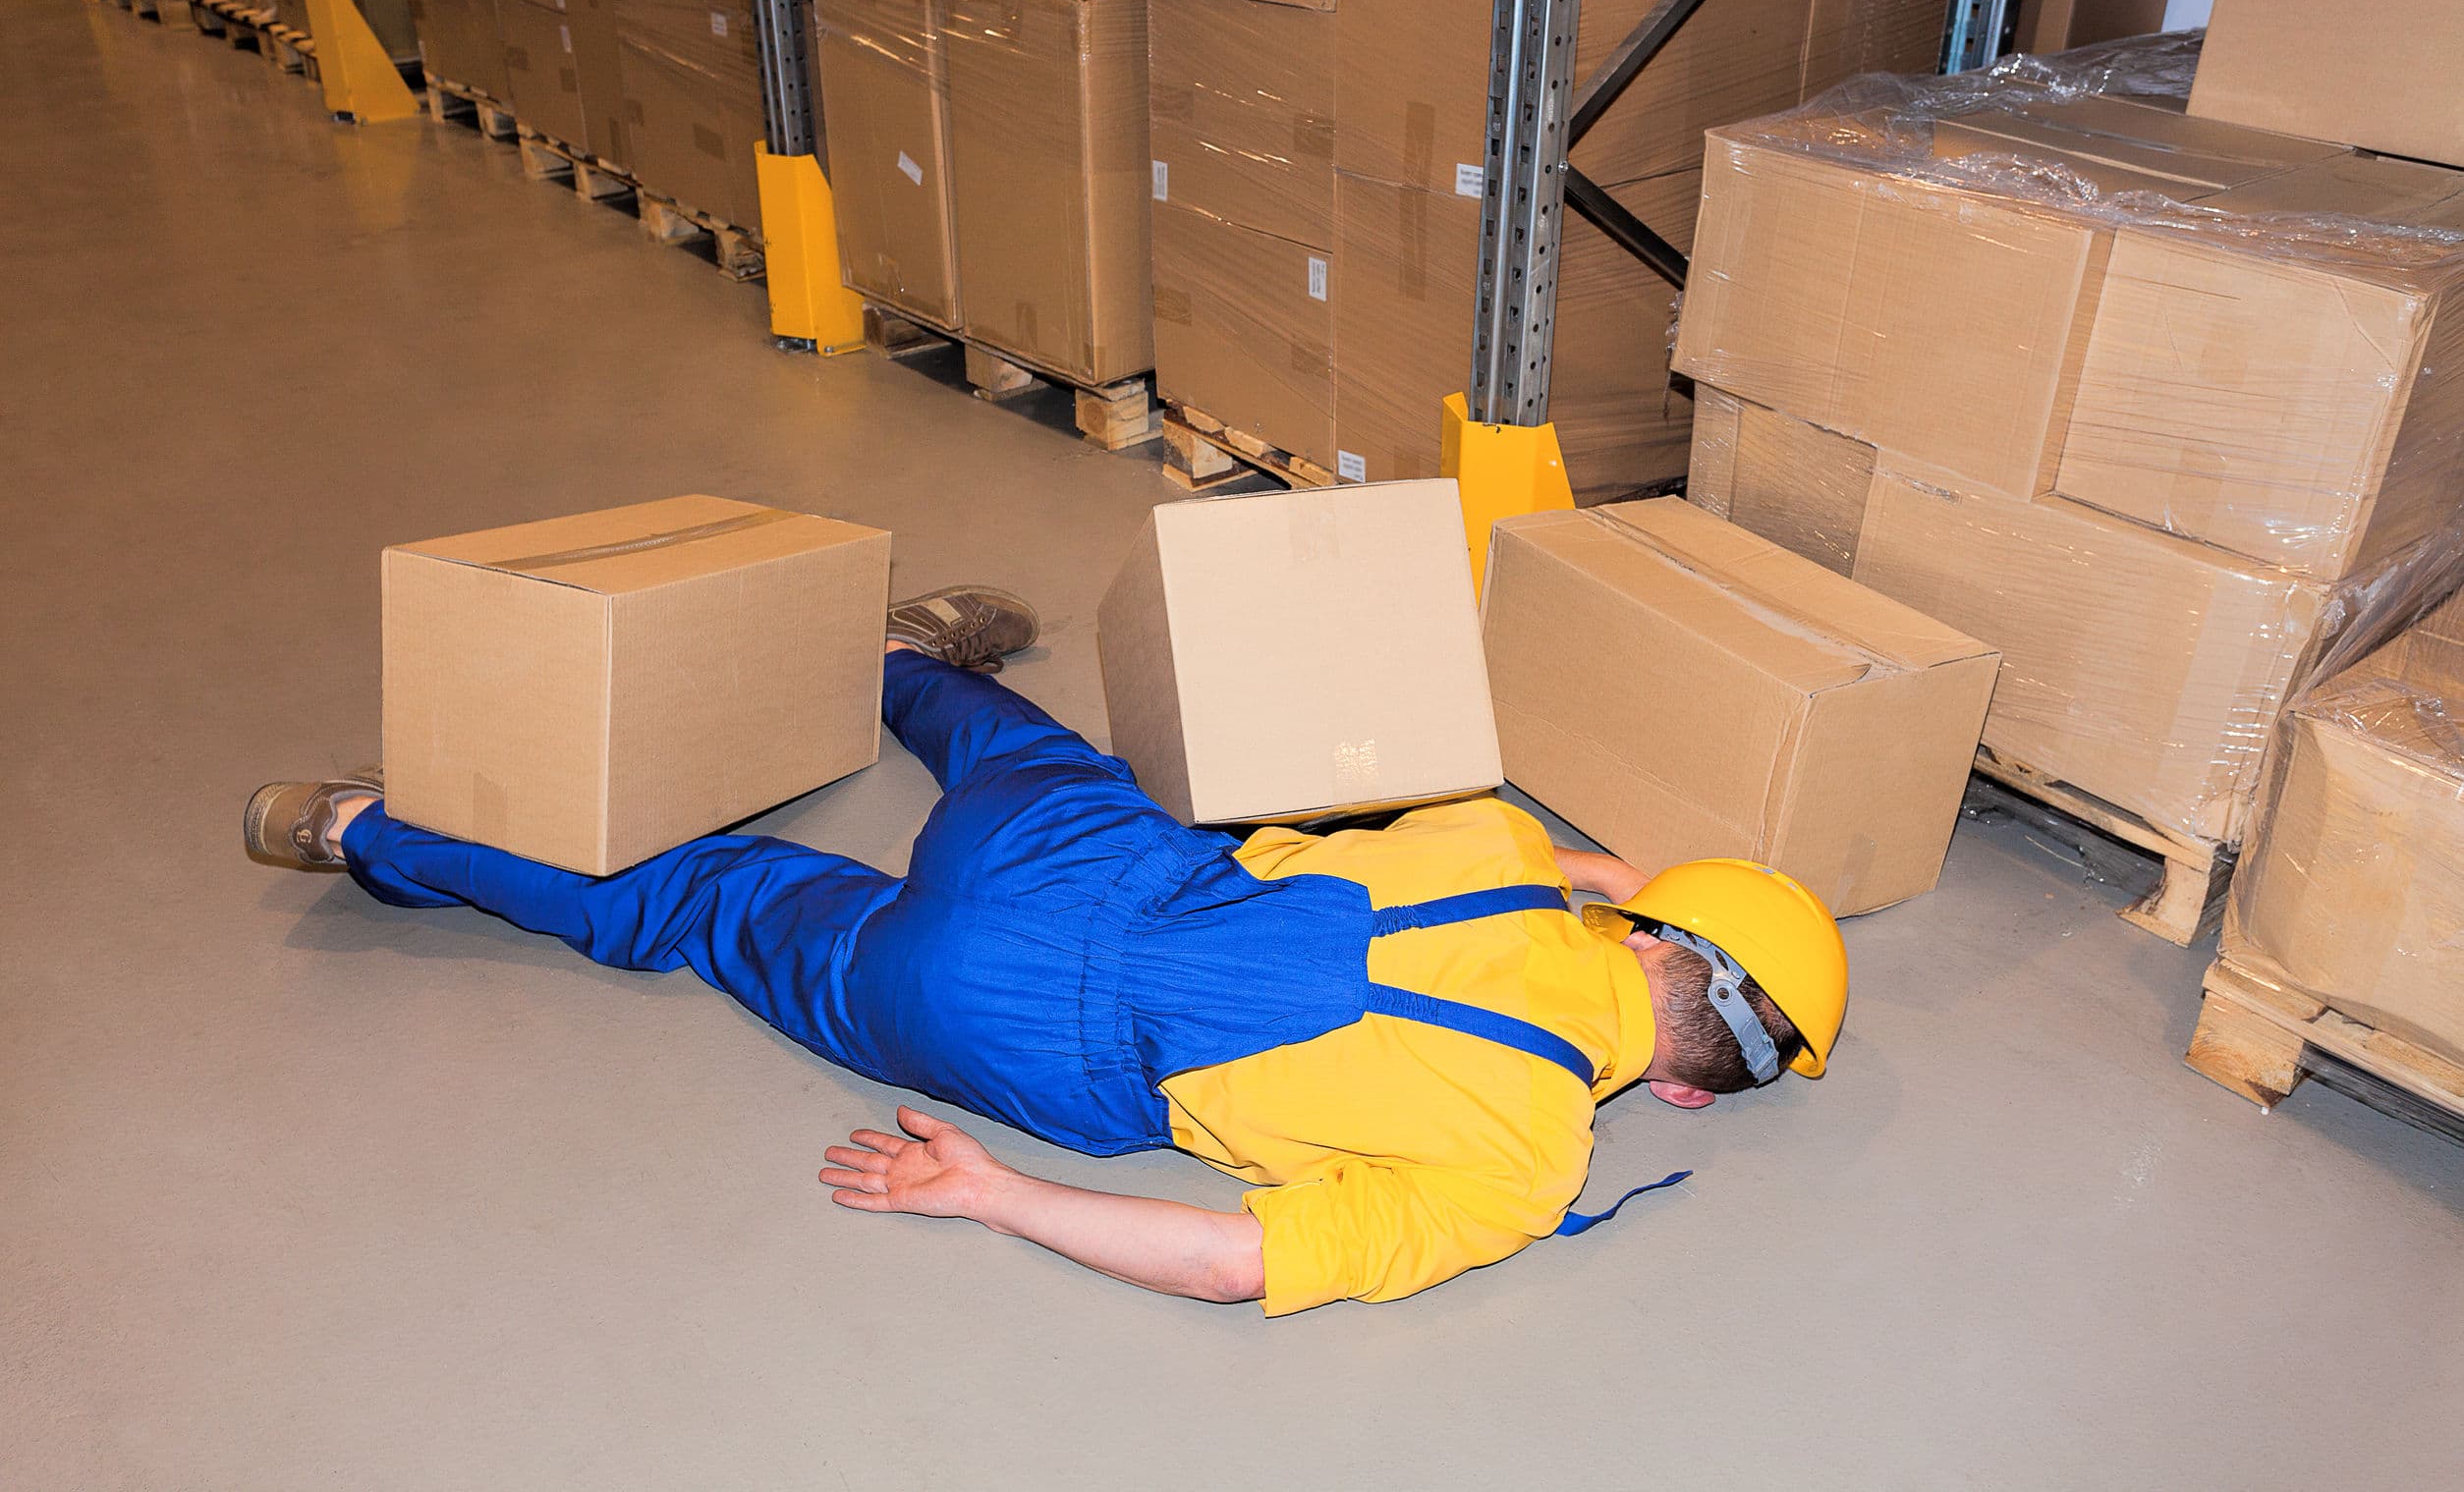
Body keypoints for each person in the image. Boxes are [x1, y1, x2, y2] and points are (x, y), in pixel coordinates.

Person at [246, 585, 1849, 1315]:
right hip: (999, 1035)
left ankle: (895, 658)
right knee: (708, 901)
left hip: (1080, 868)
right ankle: (364, 829)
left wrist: (1600, 873)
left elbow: (1475, 864)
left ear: (1646, 918)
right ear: (1684, 1093)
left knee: (1031, 754)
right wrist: (991, 1193)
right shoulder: (1525, 1174)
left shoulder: (1498, 853)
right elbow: (1233, 1263)